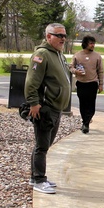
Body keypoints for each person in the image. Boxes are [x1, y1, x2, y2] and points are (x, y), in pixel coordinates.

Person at [24, 23, 72, 194]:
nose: (63, 39)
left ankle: (34, 177)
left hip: (56, 108)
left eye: (64, 35)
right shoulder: (42, 54)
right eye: (59, 35)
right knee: (42, 145)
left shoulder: (59, 55)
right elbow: (31, 82)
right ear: (48, 36)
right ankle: (39, 179)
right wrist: (34, 103)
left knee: (44, 144)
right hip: (46, 107)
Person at [71, 36, 104, 134]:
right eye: (91, 43)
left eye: (94, 43)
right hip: (81, 83)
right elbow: (71, 67)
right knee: (83, 104)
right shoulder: (77, 55)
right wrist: (76, 71)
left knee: (91, 106)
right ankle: (85, 123)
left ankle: (86, 123)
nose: (93, 45)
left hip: (92, 83)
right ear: (85, 44)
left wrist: (101, 84)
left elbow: (101, 71)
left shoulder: (97, 56)